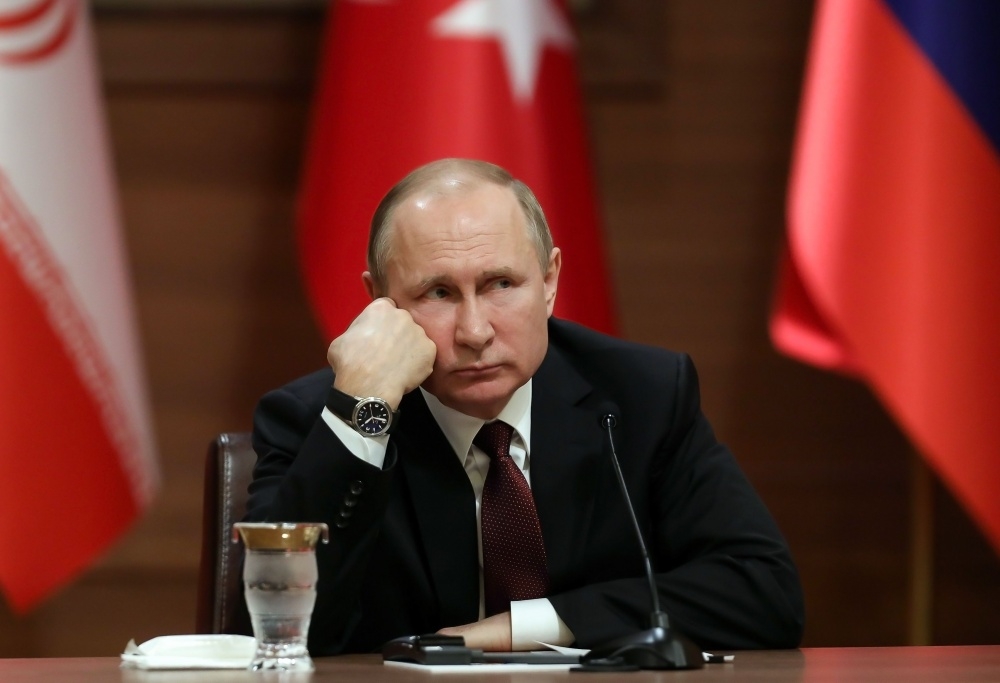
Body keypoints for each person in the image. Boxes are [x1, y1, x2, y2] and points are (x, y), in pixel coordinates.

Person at [244, 158, 804, 656]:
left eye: (501, 284)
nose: (475, 331)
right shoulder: (313, 421)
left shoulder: (642, 396)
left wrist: (528, 626)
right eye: (438, 293)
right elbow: (272, 632)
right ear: (379, 304)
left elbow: (764, 592)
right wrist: (361, 417)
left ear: (550, 281)